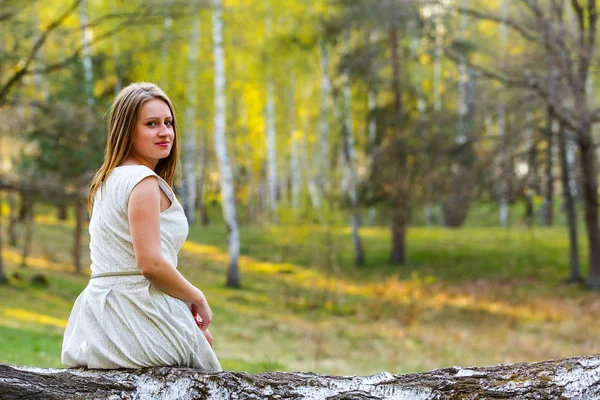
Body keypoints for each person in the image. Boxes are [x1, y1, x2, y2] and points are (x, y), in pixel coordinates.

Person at [61, 82, 221, 371]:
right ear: (127, 130)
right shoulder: (142, 182)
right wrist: (197, 298)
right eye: (151, 124)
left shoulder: (107, 180)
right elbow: (150, 265)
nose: (165, 132)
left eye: (168, 123)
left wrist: (184, 319)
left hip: (97, 321)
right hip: (136, 319)